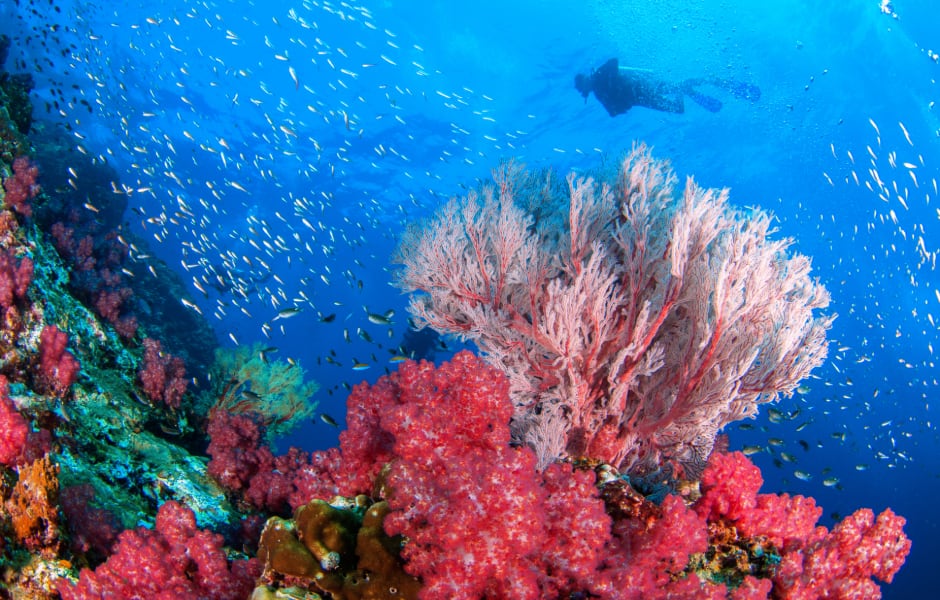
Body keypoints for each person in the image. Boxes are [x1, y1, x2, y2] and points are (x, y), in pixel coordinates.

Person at [575, 58, 760, 117]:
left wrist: (598, 77)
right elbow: (616, 112)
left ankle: (709, 79)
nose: (586, 86)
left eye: (583, 83)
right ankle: (687, 88)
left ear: (585, 79)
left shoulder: (599, 75)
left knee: (675, 90)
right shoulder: (599, 94)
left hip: (643, 86)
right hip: (641, 97)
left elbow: (614, 63)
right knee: (677, 109)